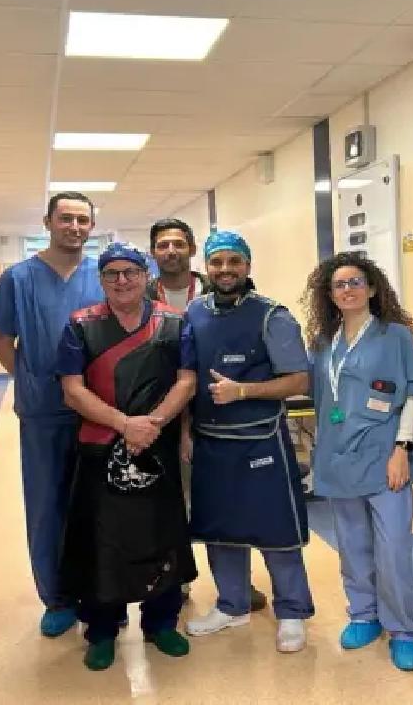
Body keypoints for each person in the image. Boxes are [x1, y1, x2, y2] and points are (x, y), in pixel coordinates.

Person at [56, 242, 198, 671]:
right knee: (101, 540)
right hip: (100, 445)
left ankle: (162, 622)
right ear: (101, 280)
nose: (122, 281)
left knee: (161, 533)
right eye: (112, 273)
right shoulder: (80, 325)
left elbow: (186, 381)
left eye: (131, 272)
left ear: (145, 275)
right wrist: (124, 424)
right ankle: (102, 630)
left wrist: (151, 425)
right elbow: (72, 389)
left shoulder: (174, 322)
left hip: (156, 446)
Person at [301, 252, 413, 672]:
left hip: (385, 457)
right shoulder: (323, 343)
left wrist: (403, 449)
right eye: (339, 284)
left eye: (355, 282)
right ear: (329, 294)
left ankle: (404, 630)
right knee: (352, 544)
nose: (348, 290)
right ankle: (363, 614)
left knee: (393, 549)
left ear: (373, 288)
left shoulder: (395, 336)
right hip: (338, 458)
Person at [183, 230, 316, 653]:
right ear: (206, 266)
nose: (225, 270)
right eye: (217, 262)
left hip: (261, 441)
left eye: (234, 261)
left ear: (247, 265)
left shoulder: (272, 316)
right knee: (219, 530)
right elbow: (186, 378)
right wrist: (185, 432)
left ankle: (292, 612)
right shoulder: (194, 312)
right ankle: (232, 604)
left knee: (277, 531)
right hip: (209, 440)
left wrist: (243, 391)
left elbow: (299, 380)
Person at [0, 192, 104, 637]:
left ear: (92, 226)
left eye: (82, 220)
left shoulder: (104, 275)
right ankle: (57, 598)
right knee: (47, 505)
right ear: (48, 222)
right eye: (65, 218)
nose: (74, 227)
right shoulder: (18, 279)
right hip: (43, 412)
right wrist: (31, 379)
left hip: (101, 409)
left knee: (99, 504)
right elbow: (1, 339)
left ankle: (99, 592)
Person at [147, 216, 268, 613]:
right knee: (168, 503)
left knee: (227, 501)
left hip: (216, 413)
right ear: (153, 252)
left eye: (178, 244)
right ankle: (175, 580)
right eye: (162, 245)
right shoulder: (141, 295)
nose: (171, 251)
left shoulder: (221, 289)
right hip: (157, 414)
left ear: (192, 249)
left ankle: (237, 584)